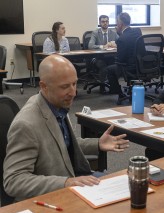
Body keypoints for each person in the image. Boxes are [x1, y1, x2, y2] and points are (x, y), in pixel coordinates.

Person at [3, 55, 130, 202]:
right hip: (49, 198)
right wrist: (65, 183)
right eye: (65, 86)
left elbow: (60, 143)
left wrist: (97, 144)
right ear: (44, 86)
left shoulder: (55, 104)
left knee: (129, 190)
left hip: (73, 179)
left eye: (74, 84)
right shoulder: (26, 124)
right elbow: (13, 181)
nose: (73, 93)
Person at [105, 12, 142, 97]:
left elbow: (120, 59)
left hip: (128, 67)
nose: (116, 24)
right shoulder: (137, 31)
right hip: (140, 65)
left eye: (117, 22)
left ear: (120, 24)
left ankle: (119, 93)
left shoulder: (122, 38)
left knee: (109, 69)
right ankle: (131, 88)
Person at [88, 15, 119, 93]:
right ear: (100, 23)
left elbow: (121, 42)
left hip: (111, 57)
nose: (105, 23)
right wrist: (103, 46)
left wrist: (116, 45)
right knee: (103, 66)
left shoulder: (113, 33)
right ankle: (102, 86)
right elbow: (90, 46)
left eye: (106, 21)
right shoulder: (95, 33)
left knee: (115, 65)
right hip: (98, 58)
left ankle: (113, 87)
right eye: (103, 21)